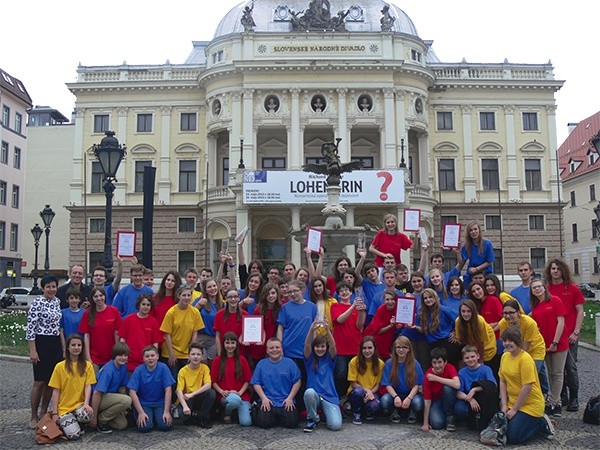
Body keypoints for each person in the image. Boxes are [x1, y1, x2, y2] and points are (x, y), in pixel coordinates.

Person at [499, 326, 555, 444]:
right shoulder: (504, 357)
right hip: (513, 401)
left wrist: (514, 410)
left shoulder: (526, 359)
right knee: (500, 428)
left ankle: (541, 423)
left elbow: (527, 387)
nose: (507, 343)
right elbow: (502, 381)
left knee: (514, 437)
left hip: (530, 404)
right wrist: (504, 405)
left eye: (511, 340)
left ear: (518, 341)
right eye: (504, 341)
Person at [544, 258, 584, 412]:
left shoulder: (572, 288)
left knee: (570, 367)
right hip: (554, 336)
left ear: (563, 271)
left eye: (558, 268)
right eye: (553, 268)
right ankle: (562, 395)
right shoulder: (547, 289)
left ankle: (574, 397)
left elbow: (580, 311)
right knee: (556, 369)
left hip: (570, 334)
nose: (555, 271)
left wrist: (576, 332)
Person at [26, 275, 63, 429]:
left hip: (54, 343)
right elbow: (30, 328)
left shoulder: (57, 302)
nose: (51, 289)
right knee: (39, 381)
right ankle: (33, 415)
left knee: (50, 381)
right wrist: (33, 350)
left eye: (54, 286)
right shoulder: (37, 303)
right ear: (43, 288)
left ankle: (43, 412)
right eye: (48, 287)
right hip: (41, 342)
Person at [277, 279, 318, 409]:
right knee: (292, 380)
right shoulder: (285, 308)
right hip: (289, 350)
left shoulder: (312, 307)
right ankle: (291, 407)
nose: (293, 294)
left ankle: (304, 408)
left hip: (306, 351)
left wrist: (315, 346)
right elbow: (280, 328)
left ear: (302, 290)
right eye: (290, 292)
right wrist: (280, 347)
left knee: (306, 379)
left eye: (295, 291)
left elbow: (315, 327)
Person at [530, 278, 568, 417]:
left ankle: (554, 403)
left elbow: (561, 321)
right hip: (544, 345)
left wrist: (555, 342)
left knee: (557, 373)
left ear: (544, 287)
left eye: (539, 286)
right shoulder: (535, 305)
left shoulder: (555, 300)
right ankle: (555, 402)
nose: (537, 289)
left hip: (558, 343)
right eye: (534, 288)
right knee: (549, 373)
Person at [48, 335, 96, 440]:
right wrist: (55, 412)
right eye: (73, 345)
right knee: (74, 436)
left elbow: (88, 386)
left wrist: (87, 404)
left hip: (79, 405)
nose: (76, 347)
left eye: (79, 345)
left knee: (88, 415)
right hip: (64, 408)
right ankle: (65, 424)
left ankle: (77, 421)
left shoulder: (87, 365)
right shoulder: (59, 366)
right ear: (68, 348)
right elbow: (56, 391)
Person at [498, 299, 548, 395]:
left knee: (532, 372)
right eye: (505, 313)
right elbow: (505, 342)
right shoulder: (503, 324)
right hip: (517, 348)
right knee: (540, 371)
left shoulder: (529, 323)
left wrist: (515, 359)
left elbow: (526, 346)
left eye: (511, 313)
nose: (507, 316)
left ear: (518, 312)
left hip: (535, 348)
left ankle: (542, 393)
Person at [251, 337, 302, 429]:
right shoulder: (261, 364)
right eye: (271, 348)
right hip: (269, 401)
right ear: (267, 350)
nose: (275, 350)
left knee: (292, 423)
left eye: (277, 347)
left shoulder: (290, 363)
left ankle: (279, 417)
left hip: (285, 401)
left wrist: (290, 398)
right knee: (264, 424)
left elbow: (297, 381)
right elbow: (256, 383)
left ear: (281, 349)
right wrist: (264, 399)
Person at [302, 319, 342, 432]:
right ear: (314, 348)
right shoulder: (309, 360)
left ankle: (325, 414)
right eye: (317, 347)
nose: (320, 349)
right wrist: (311, 329)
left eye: (323, 346)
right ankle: (313, 419)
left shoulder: (330, 360)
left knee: (336, 426)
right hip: (314, 396)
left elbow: (333, 345)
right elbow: (307, 345)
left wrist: (327, 330)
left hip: (329, 397)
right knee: (309, 392)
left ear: (326, 347)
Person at [160, 284, 205, 380]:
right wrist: (171, 355)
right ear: (178, 296)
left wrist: (191, 353)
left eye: (189, 295)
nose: (186, 298)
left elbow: (195, 333)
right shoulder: (171, 312)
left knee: (186, 380)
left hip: (186, 353)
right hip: (171, 353)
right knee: (173, 380)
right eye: (184, 295)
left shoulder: (195, 312)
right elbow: (167, 334)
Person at [128, 345, 175, 433]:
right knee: (144, 428)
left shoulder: (163, 368)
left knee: (165, 426)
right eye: (147, 356)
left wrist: (166, 411)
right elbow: (132, 391)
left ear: (157, 356)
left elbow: (168, 389)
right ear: (143, 358)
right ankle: (149, 418)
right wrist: (141, 412)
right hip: (145, 403)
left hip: (160, 403)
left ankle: (158, 418)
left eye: (152, 356)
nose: (150, 358)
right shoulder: (138, 370)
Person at [331, 282, 366, 398]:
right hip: (341, 347)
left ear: (351, 293)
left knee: (355, 375)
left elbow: (359, 326)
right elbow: (340, 320)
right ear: (338, 294)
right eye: (342, 291)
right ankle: (340, 397)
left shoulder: (357, 307)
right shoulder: (335, 306)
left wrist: (361, 312)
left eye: (347, 290)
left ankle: (352, 398)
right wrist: (353, 307)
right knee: (341, 374)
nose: (345, 292)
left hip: (355, 346)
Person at [211, 332, 253, 426]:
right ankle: (227, 412)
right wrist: (222, 391)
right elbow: (213, 382)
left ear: (236, 344)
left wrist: (240, 393)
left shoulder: (242, 359)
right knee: (234, 400)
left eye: (232, 343)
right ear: (223, 344)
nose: (230, 346)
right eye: (227, 343)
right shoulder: (217, 360)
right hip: (225, 396)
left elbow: (247, 380)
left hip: (241, 395)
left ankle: (235, 412)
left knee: (246, 422)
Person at [90, 342, 133, 433]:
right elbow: (97, 393)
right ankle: (101, 420)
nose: (123, 358)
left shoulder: (123, 366)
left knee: (122, 425)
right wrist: (93, 416)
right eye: (120, 355)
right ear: (114, 355)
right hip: (99, 398)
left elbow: (122, 387)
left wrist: (122, 408)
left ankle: (103, 416)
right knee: (127, 400)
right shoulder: (108, 370)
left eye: (125, 355)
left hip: (110, 398)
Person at [381, 336, 425, 424]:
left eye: (404, 347)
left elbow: (417, 385)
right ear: (394, 349)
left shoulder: (415, 363)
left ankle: (412, 411)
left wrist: (409, 398)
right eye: (398, 347)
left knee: (418, 403)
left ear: (409, 349)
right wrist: (395, 396)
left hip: (411, 394)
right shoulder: (389, 363)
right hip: (395, 393)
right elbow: (387, 384)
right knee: (384, 400)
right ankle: (394, 410)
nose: (401, 350)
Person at [454, 345, 498, 429]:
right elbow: (458, 392)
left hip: (483, 398)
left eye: (472, 356)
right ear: (463, 359)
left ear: (478, 356)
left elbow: (493, 384)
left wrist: (475, 389)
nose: (470, 359)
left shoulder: (486, 369)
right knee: (459, 410)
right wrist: (470, 399)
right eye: (467, 358)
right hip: (467, 398)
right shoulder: (462, 372)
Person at [79, 287, 122, 372]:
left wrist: (117, 353)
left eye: (101, 295)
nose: (99, 298)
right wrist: (88, 357)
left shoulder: (114, 311)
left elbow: (117, 333)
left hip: (111, 356)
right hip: (94, 357)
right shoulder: (87, 314)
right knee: (94, 381)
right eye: (96, 296)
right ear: (92, 298)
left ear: (105, 296)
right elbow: (86, 336)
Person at [414, 288, 460, 368]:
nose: (428, 300)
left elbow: (459, 319)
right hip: (432, 345)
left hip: (446, 343)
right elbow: (423, 329)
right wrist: (415, 327)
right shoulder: (421, 312)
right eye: (425, 298)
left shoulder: (443, 309)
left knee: (450, 368)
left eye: (430, 297)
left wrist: (456, 333)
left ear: (435, 297)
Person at [174, 343, 216, 428]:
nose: (195, 357)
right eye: (193, 354)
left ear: (202, 357)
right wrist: (185, 407)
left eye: (198, 354)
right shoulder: (183, 371)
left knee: (211, 393)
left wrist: (193, 394)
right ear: (188, 356)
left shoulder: (205, 368)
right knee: (183, 417)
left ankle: (202, 418)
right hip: (187, 399)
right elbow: (179, 390)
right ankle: (193, 416)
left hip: (198, 397)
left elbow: (208, 385)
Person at [347, 335, 385, 424]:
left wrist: (370, 393)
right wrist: (367, 391)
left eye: (370, 348)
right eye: (364, 348)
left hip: (373, 392)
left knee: (375, 406)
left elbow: (378, 384)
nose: (367, 351)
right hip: (357, 390)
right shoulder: (354, 361)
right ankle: (357, 413)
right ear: (360, 349)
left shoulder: (380, 364)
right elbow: (353, 383)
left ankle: (366, 410)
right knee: (358, 392)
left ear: (374, 349)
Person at [119, 293, 161, 372]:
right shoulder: (129, 319)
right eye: (143, 304)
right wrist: (123, 356)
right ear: (139, 305)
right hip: (130, 362)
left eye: (148, 305)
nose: (146, 307)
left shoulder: (154, 322)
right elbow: (122, 340)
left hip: (146, 363)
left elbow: (155, 344)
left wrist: (153, 358)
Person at [421, 347, 459, 431]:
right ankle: (444, 415)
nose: (437, 365)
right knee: (437, 424)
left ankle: (450, 417)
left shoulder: (450, 368)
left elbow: (457, 384)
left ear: (445, 362)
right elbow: (427, 400)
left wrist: (436, 378)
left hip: (450, 398)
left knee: (447, 388)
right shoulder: (428, 375)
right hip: (436, 400)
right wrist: (425, 423)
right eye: (434, 362)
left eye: (439, 362)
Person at [454, 299, 498, 371]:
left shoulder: (479, 320)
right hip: (472, 346)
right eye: (463, 311)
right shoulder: (458, 321)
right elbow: (461, 339)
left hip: (486, 345)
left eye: (468, 311)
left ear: (473, 312)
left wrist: (480, 361)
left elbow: (481, 343)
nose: (465, 314)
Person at [364, 289, 402, 359]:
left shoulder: (398, 309)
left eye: (392, 299)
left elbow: (400, 324)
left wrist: (399, 326)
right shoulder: (381, 310)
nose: (390, 302)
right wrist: (390, 326)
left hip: (388, 340)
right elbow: (378, 331)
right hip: (375, 339)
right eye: (387, 299)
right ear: (384, 300)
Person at [193, 278, 223, 364]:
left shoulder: (221, 304)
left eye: (214, 286)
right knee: (202, 362)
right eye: (209, 287)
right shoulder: (199, 301)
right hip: (201, 337)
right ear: (205, 290)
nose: (213, 288)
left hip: (214, 338)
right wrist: (199, 305)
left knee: (213, 363)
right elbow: (191, 315)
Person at [250, 282, 281, 363]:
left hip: (274, 345)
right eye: (268, 294)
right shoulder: (258, 310)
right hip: (260, 346)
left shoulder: (281, 308)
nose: (271, 296)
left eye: (273, 293)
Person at [214, 288, 249, 356]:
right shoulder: (218, 315)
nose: (233, 299)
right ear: (226, 298)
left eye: (235, 297)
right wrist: (219, 354)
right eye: (230, 297)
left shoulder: (245, 315)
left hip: (240, 352)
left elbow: (247, 334)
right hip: (224, 352)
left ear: (239, 298)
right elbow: (217, 337)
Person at [460, 221, 494, 288]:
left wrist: (477, 269)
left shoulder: (487, 243)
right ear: (468, 233)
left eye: (475, 229)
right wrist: (457, 252)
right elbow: (462, 261)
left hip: (485, 272)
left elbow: (489, 261)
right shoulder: (466, 245)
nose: (473, 232)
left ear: (479, 230)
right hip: (471, 273)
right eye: (471, 230)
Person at [151, 271, 182, 345]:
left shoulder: (179, 300)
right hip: (157, 337)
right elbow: (151, 317)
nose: (169, 282)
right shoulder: (155, 298)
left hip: (173, 338)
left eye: (173, 281)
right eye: (168, 280)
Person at [59, 288, 84, 353]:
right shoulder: (63, 313)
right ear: (67, 300)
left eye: (76, 298)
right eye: (71, 298)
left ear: (79, 300)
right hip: (68, 345)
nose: (74, 300)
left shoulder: (84, 313)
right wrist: (64, 349)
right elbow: (61, 332)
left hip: (80, 346)